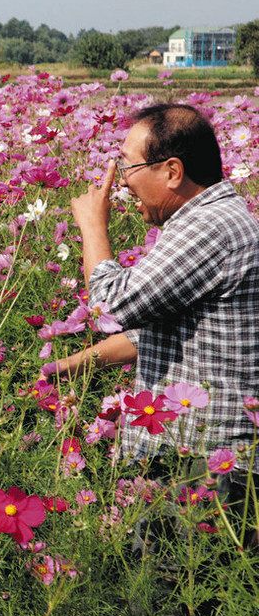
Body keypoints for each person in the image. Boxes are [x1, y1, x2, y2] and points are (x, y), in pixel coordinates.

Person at [56, 103, 259, 472]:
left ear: (172, 171)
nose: (121, 181)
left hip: (208, 463)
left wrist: (92, 227)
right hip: (199, 454)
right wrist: (76, 364)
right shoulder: (209, 219)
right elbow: (164, 326)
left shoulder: (209, 227)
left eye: (128, 166)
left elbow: (110, 306)